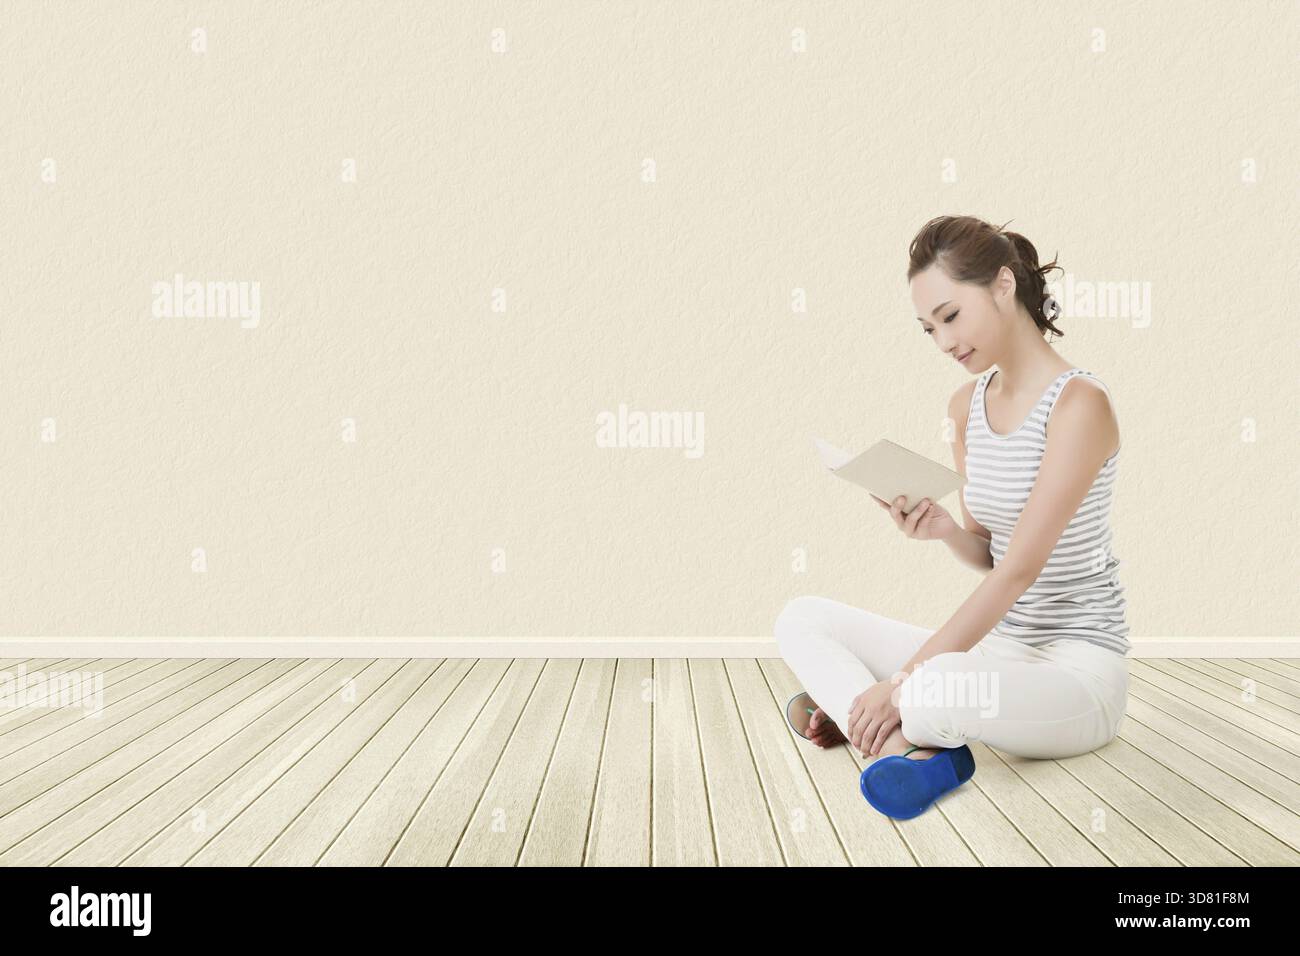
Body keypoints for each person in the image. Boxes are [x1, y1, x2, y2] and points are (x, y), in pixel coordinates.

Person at [774, 214, 1130, 819]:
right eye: (927, 328)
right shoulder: (966, 406)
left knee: (934, 683)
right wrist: (944, 530)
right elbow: (989, 552)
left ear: (1001, 285)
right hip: (997, 656)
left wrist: (900, 683)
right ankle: (899, 744)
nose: (943, 342)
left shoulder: (1080, 405)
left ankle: (875, 717)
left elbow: (1016, 572)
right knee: (802, 618)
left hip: (1077, 675)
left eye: (950, 316)